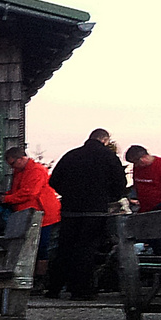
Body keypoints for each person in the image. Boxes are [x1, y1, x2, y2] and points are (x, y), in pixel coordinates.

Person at [46, 128, 127, 299]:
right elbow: (120, 183)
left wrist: (68, 193)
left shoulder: (71, 155)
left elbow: (53, 180)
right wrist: (108, 198)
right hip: (95, 210)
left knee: (65, 249)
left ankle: (53, 288)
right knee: (86, 249)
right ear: (105, 140)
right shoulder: (109, 157)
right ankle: (81, 290)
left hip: (70, 210)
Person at [0, 147, 60, 285]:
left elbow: (30, 193)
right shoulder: (19, 171)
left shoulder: (36, 170)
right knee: (29, 246)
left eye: (13, 163)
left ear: (21, 159)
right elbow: (18, 191)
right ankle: (30, 278)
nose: (11, 167)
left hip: (43, 214)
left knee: (41, 247)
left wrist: (7, 199)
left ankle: (40, 280)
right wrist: (8, 196)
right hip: (27, 214)